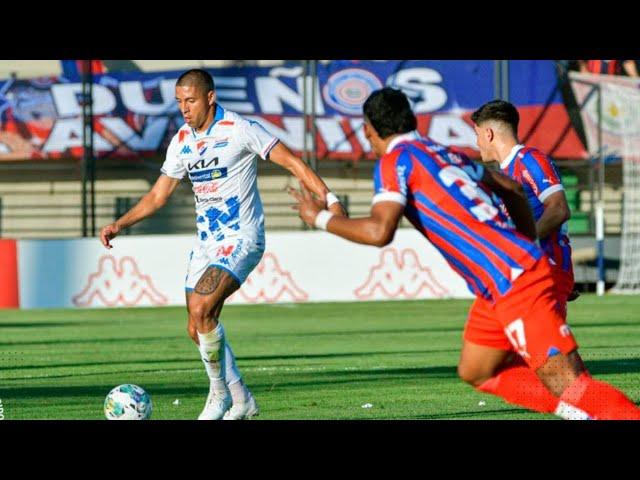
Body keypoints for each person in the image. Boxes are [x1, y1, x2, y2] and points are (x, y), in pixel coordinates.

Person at [289, 86, 640, 420]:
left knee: (571, 384)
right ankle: (575, 408)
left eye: (365, 132)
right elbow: (512, 188)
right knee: (477, 369)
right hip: (499, 283)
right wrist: (525, 244)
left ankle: (591, 408)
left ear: (369, 129)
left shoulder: (395, 160)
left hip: (514, 279)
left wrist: (317, 217)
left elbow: (381, 232)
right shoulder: (444, 152)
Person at [100, 69, 345, 420]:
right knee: (195, 326)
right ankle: (241, 399)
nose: (184, 108)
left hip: (242, 238)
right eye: (180, 102)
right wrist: (120, 224)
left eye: (191, 100)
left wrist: (331, 199)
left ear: (210, 97)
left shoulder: (239, 129)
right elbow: (158, 196)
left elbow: (292, 161)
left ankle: (219, 397)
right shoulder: (182, 140)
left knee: (202, 311)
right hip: (207, 245)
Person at [471, 100, 579, 321]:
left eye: (477, 134)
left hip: (547, 269)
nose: (477, 142)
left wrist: (524, 248)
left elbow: (559, 209)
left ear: (489, 133)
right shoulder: (505, 173)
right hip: (526, 273)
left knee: (551, 352)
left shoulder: (530, 160)